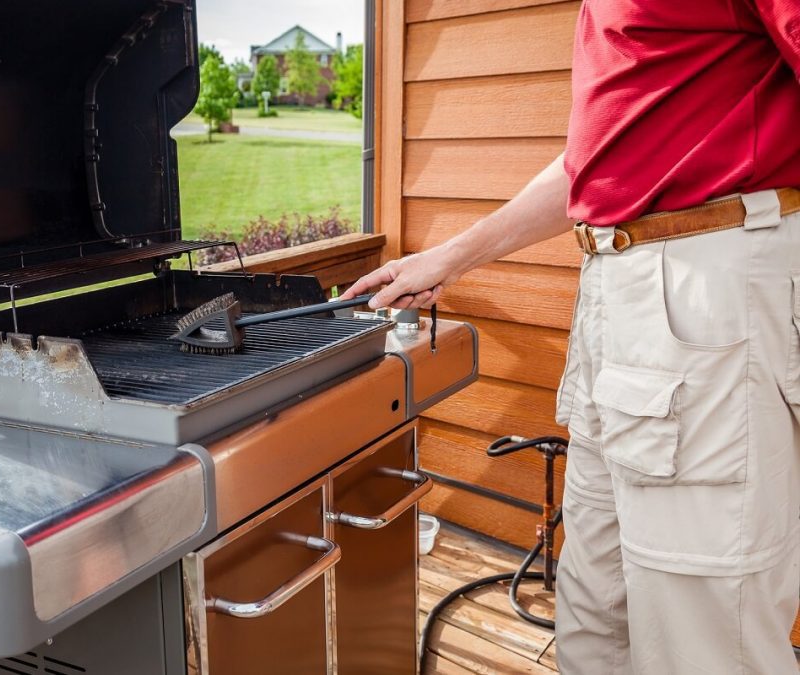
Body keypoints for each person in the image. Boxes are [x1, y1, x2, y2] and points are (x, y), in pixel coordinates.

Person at [342, 1, 800, 672]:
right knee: (593, 615)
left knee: (704, 642)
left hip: (704, 291)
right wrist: (451, 257)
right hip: (616, 292)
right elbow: (594, 170)